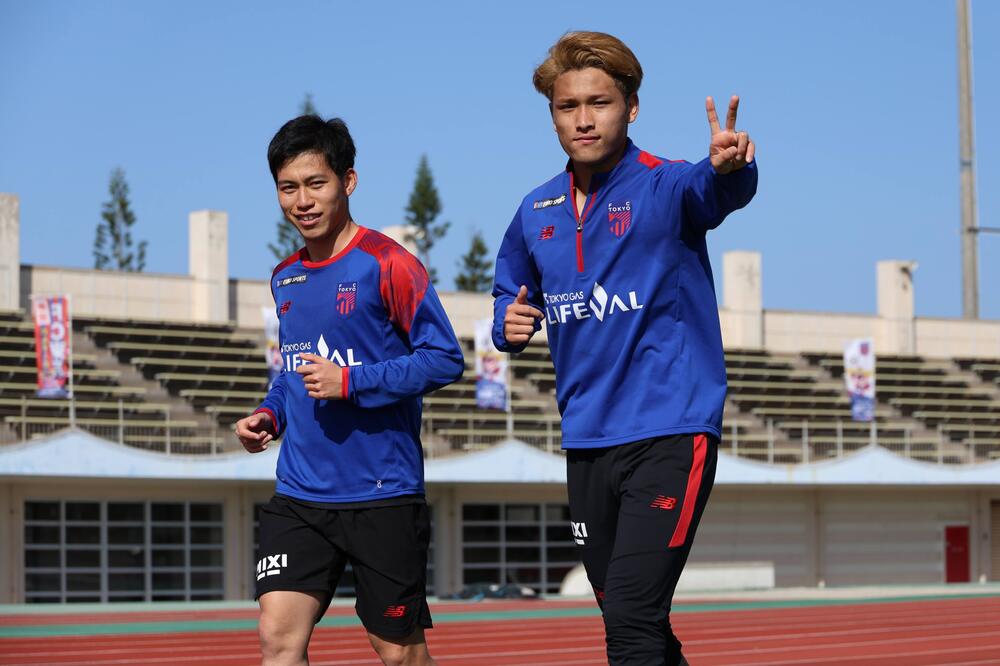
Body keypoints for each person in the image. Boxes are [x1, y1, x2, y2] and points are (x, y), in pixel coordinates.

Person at [491, 32, 758, 665]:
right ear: (553, 115)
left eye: (600, 102)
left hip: (669, 432)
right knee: (636, 622)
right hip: (586, 441)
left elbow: (714, 190)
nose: (583, 119)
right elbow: (508, 289)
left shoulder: (666, 185)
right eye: (567, 106)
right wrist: (508, 321)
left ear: (631, 108)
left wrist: (730, 167)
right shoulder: (535, 209)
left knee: (632, 621)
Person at [236, 115, 464, 666]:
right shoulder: (285, 277)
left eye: (316, 183)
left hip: (381, 493)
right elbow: (292, 370)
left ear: (348, 181)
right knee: (277, 637)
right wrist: (270, 414)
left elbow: (444, 359)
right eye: (288, 188)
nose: (302, 201)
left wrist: (352, 382)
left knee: (397, 652)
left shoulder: (389, 263)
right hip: (299, 494)